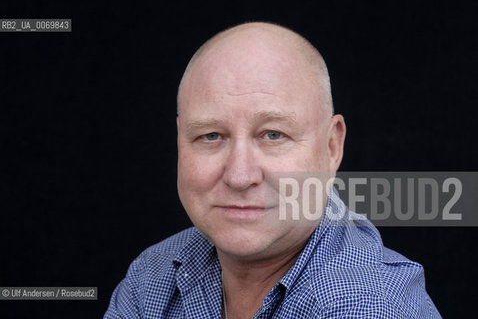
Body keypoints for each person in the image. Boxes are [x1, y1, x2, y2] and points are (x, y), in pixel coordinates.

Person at [105, 22, 441, 318]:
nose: (239, 176)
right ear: (180, 140)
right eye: (211, 136)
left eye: (273, 135)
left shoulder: (365, 305)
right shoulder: (152, 275)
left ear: (331, 147)